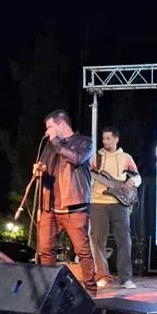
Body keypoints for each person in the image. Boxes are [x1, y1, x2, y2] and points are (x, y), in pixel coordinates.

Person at [33, 109, 96, 289]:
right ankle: (49, 289)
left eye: (50, 127)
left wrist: (56, 142)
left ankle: (91, 289)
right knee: (45, 250)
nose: (47, 132)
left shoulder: (84, 142)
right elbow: (46, 166)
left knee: (82, 251)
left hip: (74, 207)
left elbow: (77, 158)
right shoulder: (50, 145)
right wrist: (39, 169)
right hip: (50, 206)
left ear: (61, 124)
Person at [90, 125, 142, 290]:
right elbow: (87, 174)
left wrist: (131, 181)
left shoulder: (125, 157)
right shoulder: (95, 157)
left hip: (119, 203)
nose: (105, 141)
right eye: (103, 138)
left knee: (124, 239)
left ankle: (125, 278)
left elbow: (138, 177)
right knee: (97, 239)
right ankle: (102, 276)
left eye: (108, 138)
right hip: (97, 201)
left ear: (116, 139)